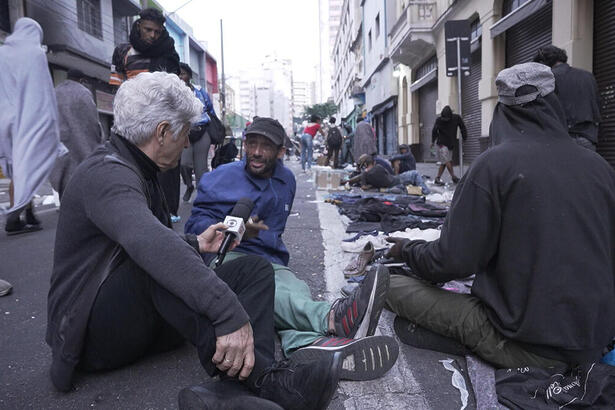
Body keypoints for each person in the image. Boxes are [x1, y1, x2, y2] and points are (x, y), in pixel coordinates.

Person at [46, 72, 342, 410]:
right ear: (162, 132)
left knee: (256, 270)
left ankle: (232, 390)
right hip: (90, 339)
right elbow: (149, 247)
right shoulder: (106, 174)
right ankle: (269, 382)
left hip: (140, 322)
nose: (188, 144)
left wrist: (195, 242)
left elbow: (142, 242)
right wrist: (229, 314)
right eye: (185, 133)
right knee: (158, 265)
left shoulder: (141, 169)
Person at [385, 62, 615, 370]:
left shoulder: (493, 166)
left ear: (502, 111)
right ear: (555, 106)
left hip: (527, 344)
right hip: (593, 343)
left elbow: (450, 262)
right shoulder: (600, 167)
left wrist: (406, 250)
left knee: (390, 285)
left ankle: (468, 343)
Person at [186, 117, 398, 381]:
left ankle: (309, 347)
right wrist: (232, 226)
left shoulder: (287, 179)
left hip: (271, 260)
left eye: (265, 146)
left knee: (295, 290)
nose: (256, 152)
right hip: (229, 257)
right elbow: (194, 228)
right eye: (251, 144)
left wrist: (260, 235)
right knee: (273, 292)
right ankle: (334, 317)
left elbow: (275, 231)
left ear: (281, 151)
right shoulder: (219, 178)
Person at [109, 8, 182, 222]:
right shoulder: (122, 52)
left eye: (157, 32)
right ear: (139, 26)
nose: (152, 36)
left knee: (165, 166)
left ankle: (167, 212)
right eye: (148, 30)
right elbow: (117, 88)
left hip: (161, 119)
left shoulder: (168, 53)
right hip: (131, 121)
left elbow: (172, 89)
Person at [0, 18, 60, 235]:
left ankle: (29, 213)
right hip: (27, 119)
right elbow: (42, 90)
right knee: (29, 166)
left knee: (18, 169)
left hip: (4, 118)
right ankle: (14, 217)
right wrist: (51, 122)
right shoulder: (35, 53)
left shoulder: (3, 53)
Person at [533, 45, 601, 151]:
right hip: (588, 139)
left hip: (560, 139)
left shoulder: (548, 78)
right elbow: (597, 107)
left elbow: (543, 111)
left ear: (542, 63)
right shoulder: (588, 76)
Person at [49, 69, 103, 198]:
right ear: (82, 80)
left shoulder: (55, 92)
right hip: (82, 145)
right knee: (85, 190)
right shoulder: (83, 93)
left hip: (61, 146)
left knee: (65, 188)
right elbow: (93, 121)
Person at [178, 63, 214, 202]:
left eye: (183, 74)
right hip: (184, 132)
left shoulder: (200, 91)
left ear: (189, 76)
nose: (181, 77)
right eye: (178, 74)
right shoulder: (174, 92)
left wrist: (214, 131)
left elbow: (210, 110)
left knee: (201, 169)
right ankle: (188, 185)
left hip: (202, 132)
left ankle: (202, 199)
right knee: (184, 164)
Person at [345, 154, 430, 195]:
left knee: (408, 184)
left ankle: (416, 189)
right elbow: (388, 174)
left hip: (392, 185)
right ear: (373, 162)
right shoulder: (378, 167)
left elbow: (360, 183)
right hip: (397, 180)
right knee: (415, 173)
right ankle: (425, 191)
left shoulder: (364, 175)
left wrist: (346, 182)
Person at [431, 105, 467, 185]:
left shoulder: (456, 118)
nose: (445, 120)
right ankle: (453, 177)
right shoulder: (439, 120)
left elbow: (462, 127)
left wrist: (464, 137)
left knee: (444, 162)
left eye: (447, 119)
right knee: (447, 160)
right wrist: (432, 141)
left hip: (450, 143)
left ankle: (437, 178)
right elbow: (434, 131)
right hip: (441, 144)